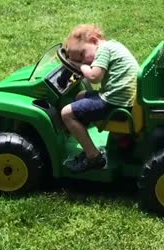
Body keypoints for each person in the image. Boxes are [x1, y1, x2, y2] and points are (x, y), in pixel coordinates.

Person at [61, 24, 139, 172]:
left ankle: (93, 157)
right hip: (122, 97)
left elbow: (94, 78)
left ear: (94, 40)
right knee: (79, 96)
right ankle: (84, 134)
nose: (85, 62)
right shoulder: (113, 45)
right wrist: (81, 63)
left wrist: (82, 67)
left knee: (66, 114)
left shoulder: (103, 50)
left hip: (115, 102)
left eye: (83, 55)